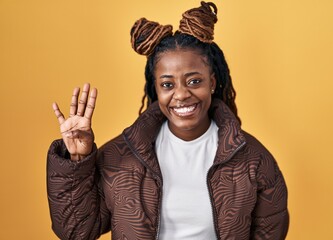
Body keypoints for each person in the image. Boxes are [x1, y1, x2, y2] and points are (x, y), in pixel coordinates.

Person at [47, 2, 289, 239]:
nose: (182, 94)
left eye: (194, 81)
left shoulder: (253, 159)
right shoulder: (119, 157)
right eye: (167, 84)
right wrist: (78, 160)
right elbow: (77, 231)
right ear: (156, 89)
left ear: (212, 83)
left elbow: (270, 231)